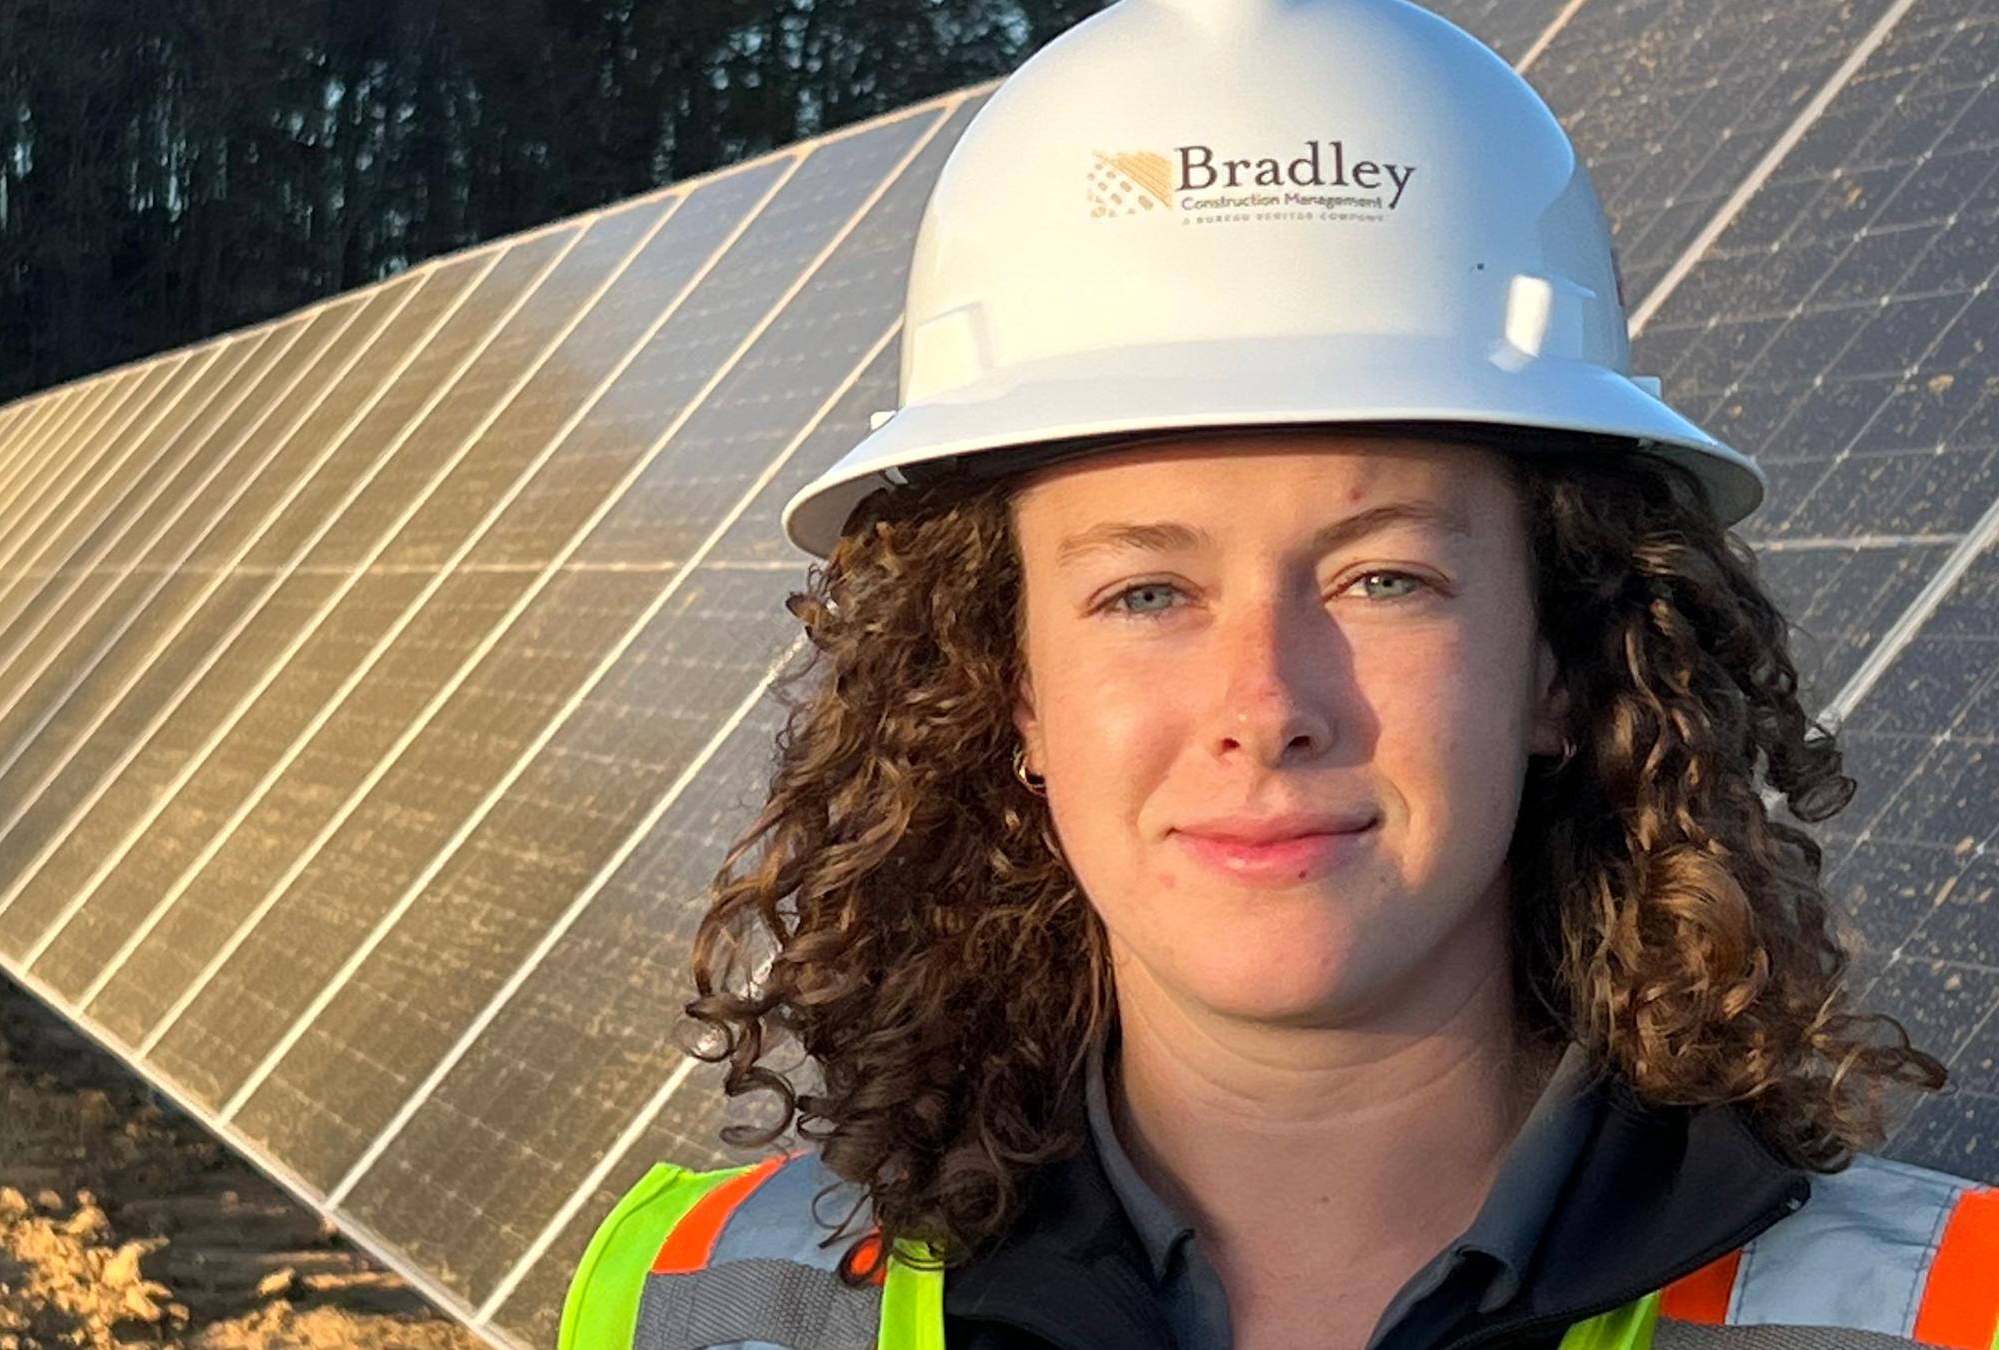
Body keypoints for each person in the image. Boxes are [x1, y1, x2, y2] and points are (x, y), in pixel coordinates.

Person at [558, 0, 1999, 1347]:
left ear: (1564, 662)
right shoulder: (698, 1305)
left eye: (1385, 579)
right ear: (1014, 696)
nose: (1267, 704)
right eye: (1144, 591)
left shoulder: (1942, 1310)